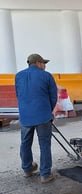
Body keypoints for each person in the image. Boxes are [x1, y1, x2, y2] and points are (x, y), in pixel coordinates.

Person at [15, 53, 58, 183]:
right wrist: (47, 111)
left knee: (25, 142)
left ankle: (27, 169)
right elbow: (53, 97)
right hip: (43, 115)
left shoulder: (18, 76)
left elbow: (18, 94)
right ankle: (45, 174)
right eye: (44, 63)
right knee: (44, 144)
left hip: (25, 116)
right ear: (38, 63)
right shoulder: (46, 76)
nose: (45, 66)